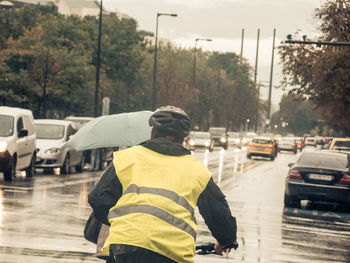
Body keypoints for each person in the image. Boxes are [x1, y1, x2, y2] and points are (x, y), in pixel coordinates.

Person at [88, 105, 237, 263]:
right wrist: (225, 239)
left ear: (152, 133)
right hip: (173, 252)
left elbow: (97, 198)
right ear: (183, 139)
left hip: (126, 247)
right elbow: (219, 215)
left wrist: (121, 221)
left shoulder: (126, 158)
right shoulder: (198, 171)